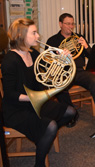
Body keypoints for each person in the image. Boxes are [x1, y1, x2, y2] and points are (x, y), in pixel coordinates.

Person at [2, 18, 76, 167]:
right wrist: (33, 99)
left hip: (34, 103)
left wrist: (64, 60)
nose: (38, 36)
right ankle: (39, 163)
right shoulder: (10, 60)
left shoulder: (34, 54)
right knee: (51, 126)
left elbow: (48, 77)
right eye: (34, 33)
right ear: (21, 35)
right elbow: (9, 94)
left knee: (70, 112)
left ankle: (42, 138)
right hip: (16, 109)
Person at [46, 13, 95, 128]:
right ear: (60, 24)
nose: (70, 27)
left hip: (79, 71)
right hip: (63, 72)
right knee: (58, 86)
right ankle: (71, 113)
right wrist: (58, 56)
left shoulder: (79, 38)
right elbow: (47, 62)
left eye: (72, 24)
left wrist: (86, 46)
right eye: (67, 24)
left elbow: (93, 57)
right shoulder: (52, 41)